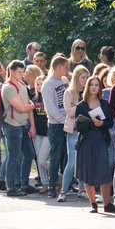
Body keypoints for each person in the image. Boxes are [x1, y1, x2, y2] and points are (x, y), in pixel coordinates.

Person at [75, 76, 115, 213]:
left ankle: (107, 204)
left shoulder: (104, 104)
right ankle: (93, 203)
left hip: (101, 140)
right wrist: (91, 122)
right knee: (88, 173)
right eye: (91, 85)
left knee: (105, 173)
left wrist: (101, 124)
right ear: (87, 87)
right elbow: (78, 127)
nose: (94, 87)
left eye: (96, 85)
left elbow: (110, 123)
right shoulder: (81, 106)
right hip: (86, 142)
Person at [1, 60, 37, 197]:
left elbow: (27, 105)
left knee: (29, 154)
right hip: (12, 126)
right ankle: (11, 186)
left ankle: (24, 184)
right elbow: (23, 107)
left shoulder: (22, 84)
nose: (22, 75)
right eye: (19, 72)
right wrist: (31, 106)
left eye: (23, 72)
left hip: (23, 125)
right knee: (13, 156)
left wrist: (32, 125)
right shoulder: (8, 87)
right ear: (11, 71)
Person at [58, 65, 90, 203]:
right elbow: (70, 112)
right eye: (83, 77)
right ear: (77, 78)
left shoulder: (90, 92)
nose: (86, 80)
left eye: (87, 77)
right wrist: (83, 105)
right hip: (73, 130)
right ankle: (63, 191)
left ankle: (82, 189)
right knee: (72, 161)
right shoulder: (69, 92)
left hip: (87, 130)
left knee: (84, 160)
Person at [41, 54, 70, 198]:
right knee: (56, 155)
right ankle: (52, 185)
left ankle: (66, 184)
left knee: (68, 155)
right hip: (56, 126)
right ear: (59, 67)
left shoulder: (65, 80)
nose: (67, 70)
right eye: (65, 67)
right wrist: (64, 121)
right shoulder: (48, 83)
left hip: (67, 123)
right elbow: (50, 108)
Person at [32, 75, 50, 194]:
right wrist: (32, 128)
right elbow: (31, 115)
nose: (39, 86)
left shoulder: (50, 97)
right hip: (36, 132)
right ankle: (45, 184)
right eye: (37, 84)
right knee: (39, 160)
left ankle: (59, 177)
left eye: (42, 83)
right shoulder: (33, 98)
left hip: (48, 133)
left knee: (43, 160)